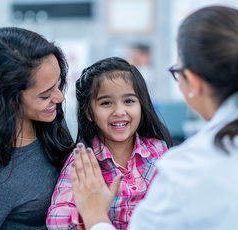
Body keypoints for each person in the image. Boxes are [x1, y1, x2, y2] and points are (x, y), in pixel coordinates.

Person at [69, 6, 238, 230]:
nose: (119, 111)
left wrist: (95, 216)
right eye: (106, 102)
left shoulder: (185, 170)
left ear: (192, 82)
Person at [47, 57, 173, 230]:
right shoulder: (83, 161)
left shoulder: (159, 151)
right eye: (106, 103)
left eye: (129, 101)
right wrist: (90, 214)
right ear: (89, 112)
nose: (119, 111)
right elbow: (56, 221)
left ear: (141, 105)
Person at [0, 27, 74, 229]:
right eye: (45, 95)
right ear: (9, 99)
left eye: (59, 84)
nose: (60, 97)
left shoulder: (49, 123)